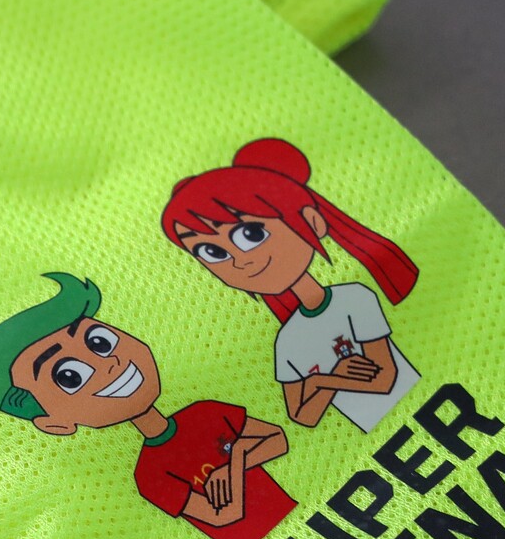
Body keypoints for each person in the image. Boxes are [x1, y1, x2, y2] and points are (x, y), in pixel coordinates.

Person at [0, 272, 292, 539]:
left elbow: (278, 439)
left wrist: (236, 458)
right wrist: (237, 459)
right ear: (55, 424)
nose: (108, 364)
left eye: (100, 342)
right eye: (70, 376)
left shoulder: (205, 412)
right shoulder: (150, 475)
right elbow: (224, 516)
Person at [163, 139, 421, 432]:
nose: (240, 261)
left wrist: (321, 383)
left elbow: (385, 379)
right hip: (379, 439)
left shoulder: (354, 299)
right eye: (213, 253)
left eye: (251, 234)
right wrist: (328, 379)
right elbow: (302, 417)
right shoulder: (287, 339)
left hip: (427, 406)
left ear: (313, 221)